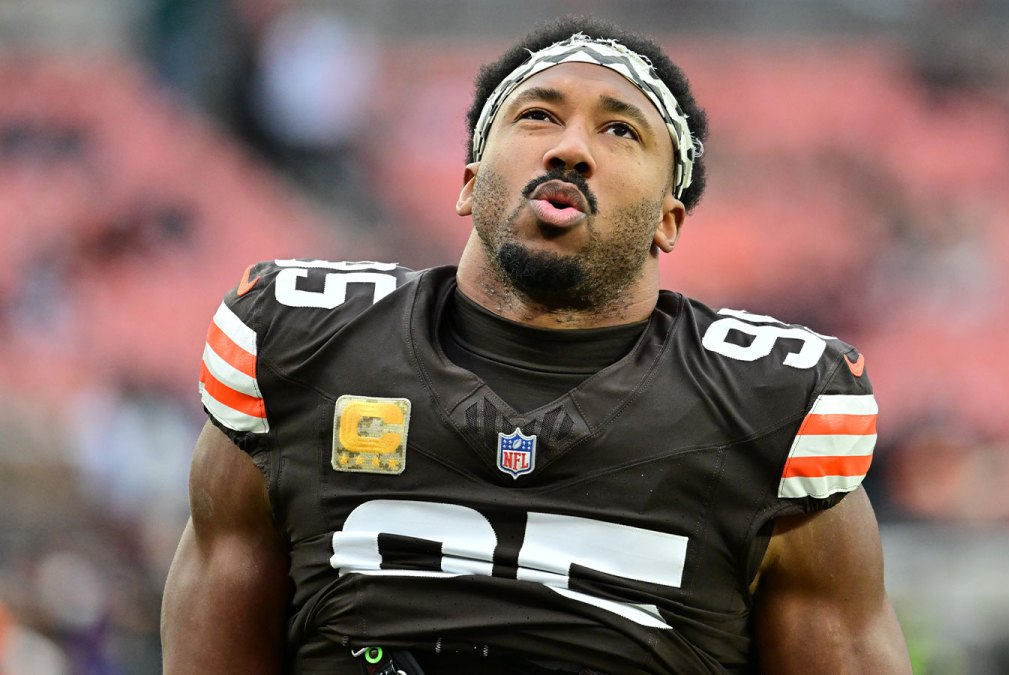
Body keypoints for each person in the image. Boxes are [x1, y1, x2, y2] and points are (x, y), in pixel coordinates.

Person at [161, 15, 910, 675]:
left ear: (668, 219)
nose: (572, 149)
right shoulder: (304, 349)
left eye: (621, 130)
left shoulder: (769, 409)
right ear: (467, 181)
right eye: (536, 116)